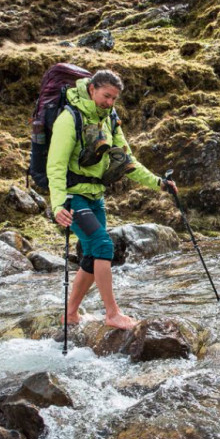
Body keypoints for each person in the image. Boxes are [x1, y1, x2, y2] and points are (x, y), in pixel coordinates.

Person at [47, 69, 175, 330]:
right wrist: (58, 204)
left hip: (96, 197)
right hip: (74, 197)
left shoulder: (110, 119)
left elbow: (128, 161)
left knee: (92, 256)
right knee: (103, 246)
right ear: (92, 89)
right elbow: (56, 165)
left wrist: (159, 183)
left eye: (114, 99)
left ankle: (70, 314)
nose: (109, 102)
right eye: (106, 96)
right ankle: (112, 314)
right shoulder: (69, 118)